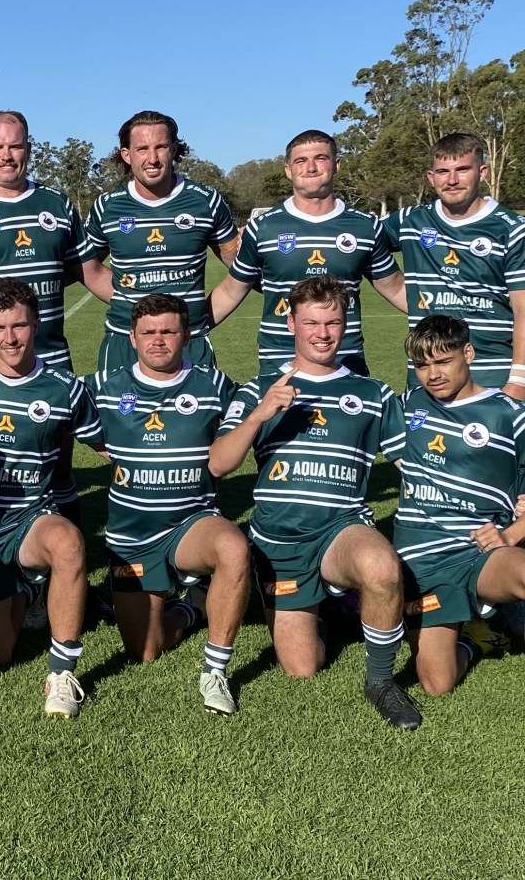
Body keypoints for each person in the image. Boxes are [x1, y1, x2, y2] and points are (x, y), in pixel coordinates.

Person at [209, 276, 421, 730]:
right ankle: (332, 608)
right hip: (278, 543)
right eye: (311, 323)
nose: (323, 333)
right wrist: (261, 415)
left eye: (333, 322)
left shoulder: (373, 393)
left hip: (341, 528)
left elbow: (413, 469)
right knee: (302, 667)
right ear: (291, 324)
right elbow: (219, 464)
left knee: (382, 568)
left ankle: (381, 681)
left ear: (346, 324)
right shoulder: (258, 390)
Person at [0, 110, 112, 525]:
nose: (6, 155)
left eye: (15, 145)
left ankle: (68, 573)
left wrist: (147, 308)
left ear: (29, 148)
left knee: (59, 469)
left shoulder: (57, 204)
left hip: (51, 360)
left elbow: (94, 275)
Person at [0, 278, 103, 717]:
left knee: (68, 543)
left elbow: (110, 446)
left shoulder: (63, 388)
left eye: (19, 326)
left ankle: (62, 672)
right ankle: (27, 590)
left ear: (36, 323)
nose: (9, 339)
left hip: (32, 519)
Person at [86, 293, 251, 714]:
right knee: (144, 650)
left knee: (233, 546)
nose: (159, 340)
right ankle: (191, 609)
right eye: (149, 332)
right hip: (131, 537)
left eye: (168, 331)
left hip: (191, 524)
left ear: (187, 335)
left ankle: (215, 672)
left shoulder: (215, 385)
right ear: (133, 337)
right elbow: (53, 408)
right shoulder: (103, 387)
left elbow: (244, 426)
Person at [396, 315, 525, 695]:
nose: (432, 374)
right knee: (438, 683)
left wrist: (512, 533)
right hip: (423, 560)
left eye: (443, 361)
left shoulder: (509, 413)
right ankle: (477, 637)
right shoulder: (408, 404)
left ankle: (501, 606)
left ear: (467, 352)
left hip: (481, 552)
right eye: (422, 365)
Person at [207, 130, 405, 375]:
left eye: (320, 158)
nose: (311, 167)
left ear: (336, 165)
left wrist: (459, 317)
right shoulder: (263, 227)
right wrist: (187, 330)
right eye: (300, 161)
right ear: (288, 170)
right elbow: (230, 290)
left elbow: (396, 288)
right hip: (279, 361)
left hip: (345, 359)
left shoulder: (365, 226)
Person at [85, 112, 240, 371]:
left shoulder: (205, 200)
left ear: (174, 148)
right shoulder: (107, 207)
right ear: (126, 154)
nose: (152, 159)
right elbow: (89, 269)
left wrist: (203, 317)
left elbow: (239, 266)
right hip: (124, 341)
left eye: (161, 147)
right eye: (142, 149)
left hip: (189, 342)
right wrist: (126, 299)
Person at [382, 133, 525, 395]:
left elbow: (523, 310)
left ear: (481, 172)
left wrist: (519, 381)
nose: (452, 180)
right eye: (443, 172)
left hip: (491, 377)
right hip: (426, 376)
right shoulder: (409, 221)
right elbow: (361, 246)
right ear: (430, 177)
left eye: (462, 170)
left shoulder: (513, 230)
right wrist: (404, 294)